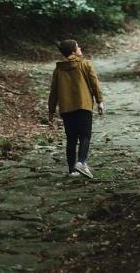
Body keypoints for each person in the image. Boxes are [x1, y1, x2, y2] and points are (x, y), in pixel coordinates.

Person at [48, 39, 105, 179]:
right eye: (78, 46)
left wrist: (51, 110)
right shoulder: (86, 64)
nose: (80, 48)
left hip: (66, 108)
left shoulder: (58, 69)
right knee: (85, 135)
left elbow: (53, 91)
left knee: (71, 138)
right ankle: (81, 162)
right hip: (83, 105)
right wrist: (100, 102)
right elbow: (94, 84)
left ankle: (71, 170)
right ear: (73, 51)